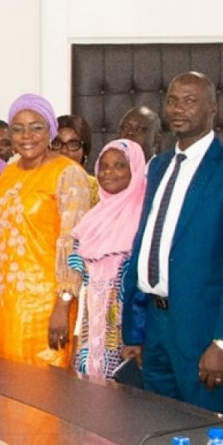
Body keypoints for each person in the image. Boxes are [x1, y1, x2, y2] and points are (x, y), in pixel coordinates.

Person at [120, 72, 223, 416]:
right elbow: (149, 242)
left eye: (190, 100)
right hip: (155, 325)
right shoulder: (159, 166)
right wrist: (135, 329)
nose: (178, 108)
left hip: (203, 331)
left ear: (213, 108)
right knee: (155, 431)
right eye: (172, 100)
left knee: (204, 436)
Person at [0, 94, 90, 369]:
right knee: (6, 392)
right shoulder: (7, 174)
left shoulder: (67, 173)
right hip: (6, 307)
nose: (27, 135)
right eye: (18, 128)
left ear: (51, 132)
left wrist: (63, 303)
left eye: (36, 127)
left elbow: (76, 244)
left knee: (43, 395)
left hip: (47, 308)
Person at [66, 138, 146, 380]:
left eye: (120, 165)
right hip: (91, 332)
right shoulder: (92, 220)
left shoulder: (146, 218)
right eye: (104, 166)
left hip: (130, 336)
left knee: (127, 406)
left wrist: (138, 337)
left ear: (135, 169)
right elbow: (82, 283)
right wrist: (77, 337)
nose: (109, 172)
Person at [55, 114, 96, 204]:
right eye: (57, 143)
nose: (64, 151)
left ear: (84, 151)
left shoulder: (96, 190)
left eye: (73, 144)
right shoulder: (37, 183)